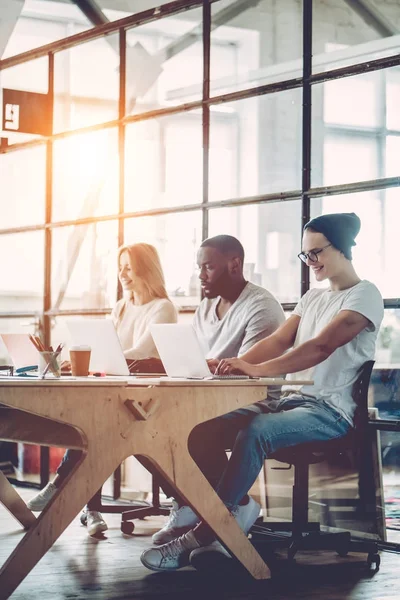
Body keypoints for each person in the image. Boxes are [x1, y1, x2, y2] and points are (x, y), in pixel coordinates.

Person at [140, 212, 384, 572]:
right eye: (305, 255)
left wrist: (255, 370)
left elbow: (320, 346)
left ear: (344, 248)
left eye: (316, 252)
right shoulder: (312, 298)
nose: (310, 261)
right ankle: (235, 512)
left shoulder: (366, 295)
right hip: (291, 405)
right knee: (196, 426)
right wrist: (235, 363)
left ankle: (200, 535)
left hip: (329, 413)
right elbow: (279, 340)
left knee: (256, 430)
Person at [137, 234, 285, 545]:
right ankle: (190, 502)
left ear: (234, 265)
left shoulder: (261, 307)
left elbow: (246, 372)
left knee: (189, 429)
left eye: (208, 267)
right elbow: (196, 362)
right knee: (138, 429)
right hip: (207, 397)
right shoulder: (206, 307)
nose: (201, 275)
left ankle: (233, 505)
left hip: (253, 399)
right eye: (198, 267)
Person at [27, 243, 177, 536]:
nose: (122, 274)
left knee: (98, 427)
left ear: (146, 269)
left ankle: (63, 489)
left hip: (146, 400)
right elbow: (111, 349)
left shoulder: (164, 308)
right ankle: (88, 507)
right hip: (117, 393)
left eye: (128, 267)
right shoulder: (121, 307)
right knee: (92, 424)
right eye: (120, 267)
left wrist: (95, 361)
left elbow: (139, 352)